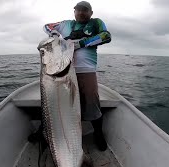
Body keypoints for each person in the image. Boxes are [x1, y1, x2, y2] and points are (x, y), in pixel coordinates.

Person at [29, 1, 112, 151]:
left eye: (85, 10)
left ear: (91, 13)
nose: (81, 12)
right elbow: (47, 26)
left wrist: (82, 43)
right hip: (62, 69)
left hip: (85, 70)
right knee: (52, 101)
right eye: (78, 10)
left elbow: (106, 36)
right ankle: (44, 130)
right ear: (74, 12)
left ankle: (98, 133)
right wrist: (53, 33)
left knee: (91, 100)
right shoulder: (66, 24)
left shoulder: (96, 23)